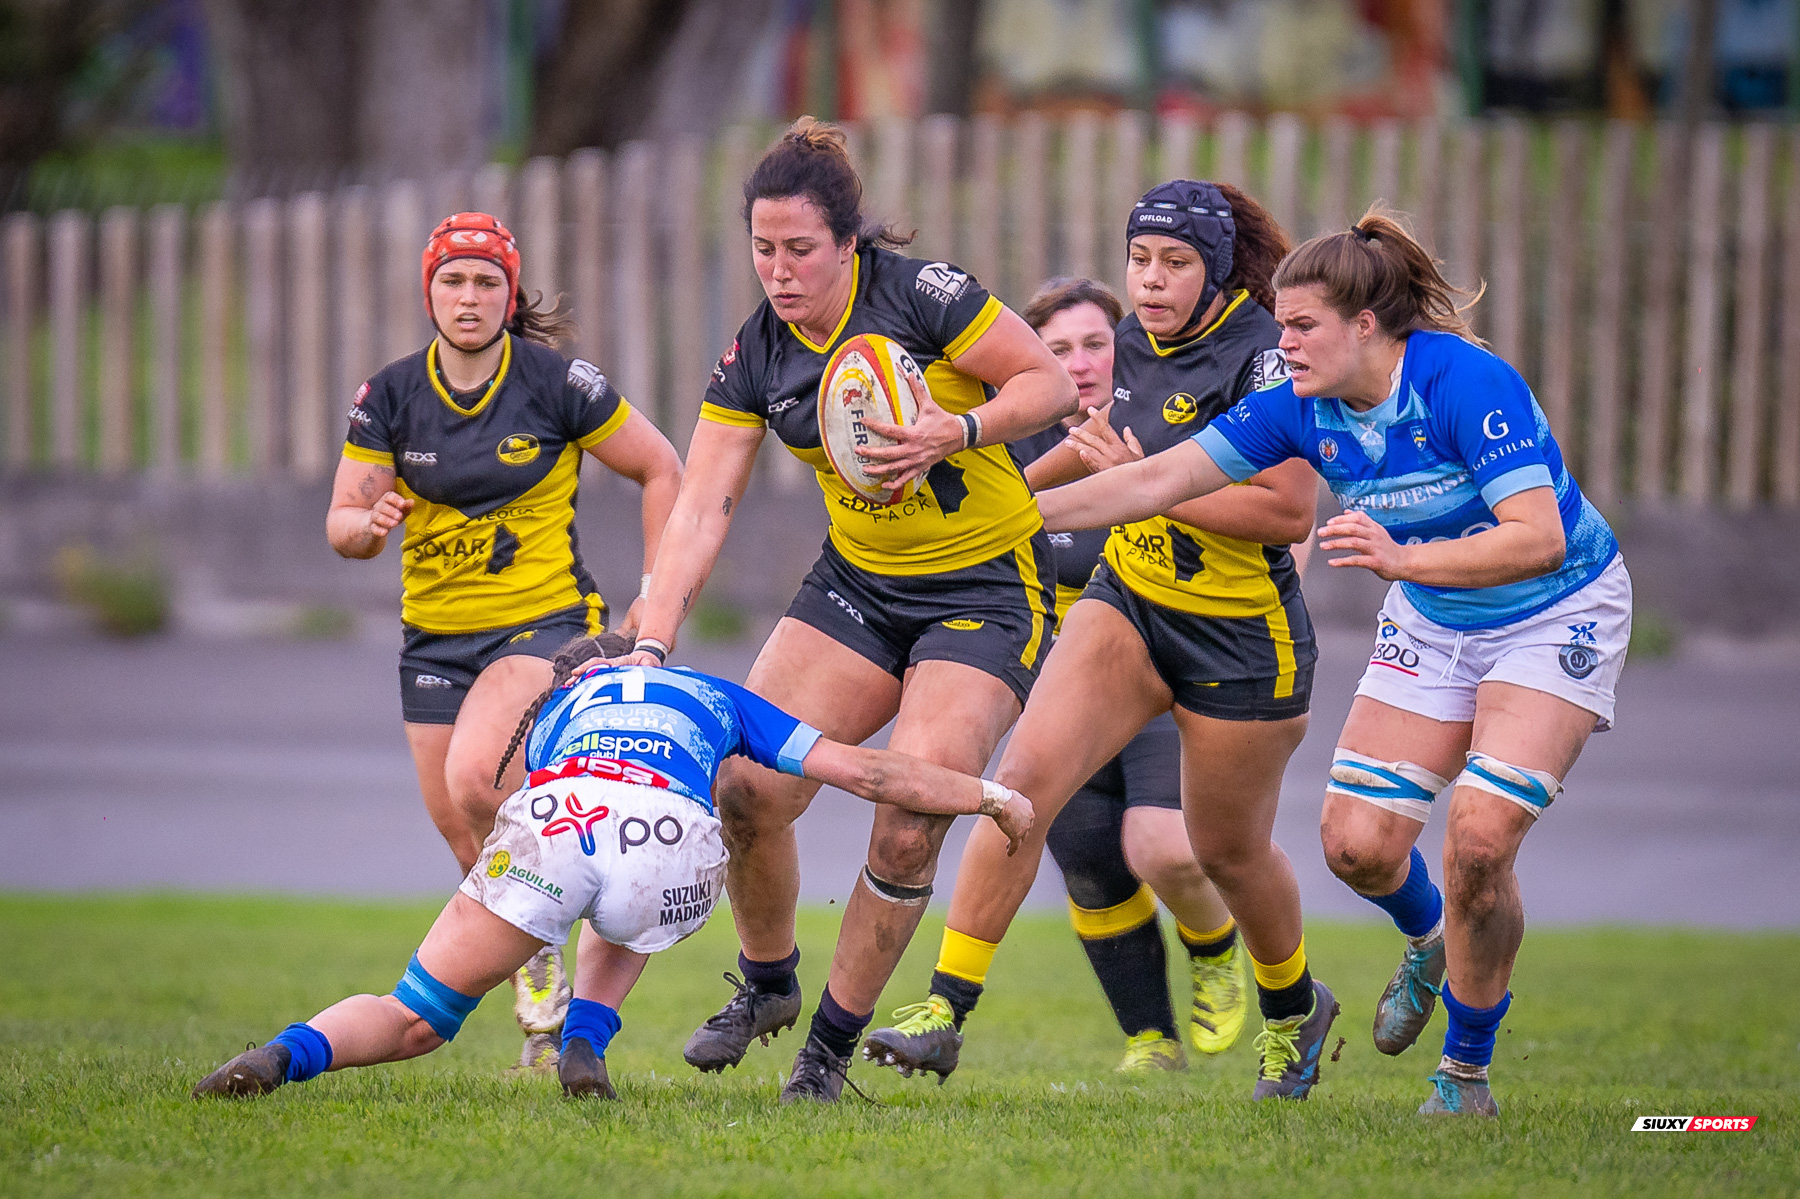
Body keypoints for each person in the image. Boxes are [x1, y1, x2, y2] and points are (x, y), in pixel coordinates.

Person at [1014, 209, 1631, 1118]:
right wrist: (1001, 519)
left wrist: (1404, 557)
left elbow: (1537, 538)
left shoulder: (1465, 383)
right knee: (1355, 847)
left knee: (1477, 839)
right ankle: (1429, 936)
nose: (1283, 344)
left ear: (1366, 326)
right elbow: (1152, 481)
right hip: (1434, 615)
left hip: (1554, 611)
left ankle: (1464, 1073)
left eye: (1302, 326)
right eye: (1280, 324)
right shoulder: (1294, 406)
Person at [611, 117, 1075, 1102]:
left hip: (987, 588)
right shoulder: (757, 353)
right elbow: (702, 503)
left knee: (910, 818)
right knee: (746, 785)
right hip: (859, 587)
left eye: (800, 250)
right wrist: (652, 637)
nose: (779, 272)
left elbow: (1049, 381)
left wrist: (958, 428)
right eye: (762, 249)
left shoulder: (924, 297)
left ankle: (825, 1053)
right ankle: (768, 981)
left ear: (847, 242)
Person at [867, 181, 1333, 1102]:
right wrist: (986, 492)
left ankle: (1293, 1011)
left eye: (1176, 263)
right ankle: (943, 1012)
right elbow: (1092, 447)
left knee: (1225, 851)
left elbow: (1287, 512)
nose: (1151, 280)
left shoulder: (1262, 359)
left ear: (1217, 269)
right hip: (1129, 601)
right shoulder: (1130, 342)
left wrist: (1152, 484)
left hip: (1240, 634)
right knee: (1019, 790)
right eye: (1140, 260)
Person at [191, 633, 1035, 1104]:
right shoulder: (710, 691)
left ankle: (285, 1054)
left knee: (416, 1015)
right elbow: (868, 773)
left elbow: (559, 819)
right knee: (630, 890)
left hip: (555, 822)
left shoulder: (555, 712)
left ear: (577, 676)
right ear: (644, 662)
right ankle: (586, 1040)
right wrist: (990, 794)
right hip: (669, 841)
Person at [325, 212, 683, 1071]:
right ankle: (545, 981)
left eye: (487, 281)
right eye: (453, 280)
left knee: (476, 778)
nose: (469, 296)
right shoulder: (391, 395)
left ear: (510, 294)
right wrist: (366, 528)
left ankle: (573, 960)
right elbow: (341, 520)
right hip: (433, 643)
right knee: (469, 839)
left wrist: (653, 592)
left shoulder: (558, 383)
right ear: (429, 294)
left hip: (543, 627)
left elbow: (662, 466)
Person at [1005, 277, 1247, 1073]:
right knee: (1085, 855)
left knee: (1163, 846)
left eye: (1095, 344)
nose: (1079, 363)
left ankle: (1214, 941)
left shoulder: (1171, 431)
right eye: (1057, 350)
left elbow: (1268, 519)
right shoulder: (1016, 452)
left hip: (1158, 668)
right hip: (1057, 680)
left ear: (1129, 348)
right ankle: (1150, 1039)